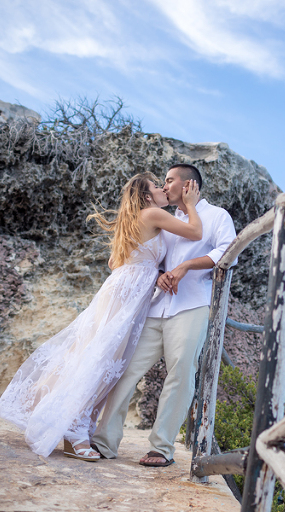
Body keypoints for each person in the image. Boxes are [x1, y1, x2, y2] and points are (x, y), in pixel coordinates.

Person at [0, 172, 202, 461]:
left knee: (102, 356)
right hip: (126, 296)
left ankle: (75, 425)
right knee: (101, 357)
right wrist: (191, 204)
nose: (162, 188)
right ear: (146, 196)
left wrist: (150, 274)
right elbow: (196, 233)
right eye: (156, 185)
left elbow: (115, 261)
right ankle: (75, 430)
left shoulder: (139, 217)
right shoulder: (153, 213)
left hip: (124, 291)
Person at [92, 163, 236, 467]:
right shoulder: (167, 219)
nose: (164, 185)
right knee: (125, 368)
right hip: (157, 306)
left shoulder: (217, 216)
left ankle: (161, 447)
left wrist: (184, 267)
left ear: (188, 185)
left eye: (169, 181)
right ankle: (104, 441)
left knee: (181, 373)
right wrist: (159, 273)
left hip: (191, 305)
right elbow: (152, 256)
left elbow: (226, 253)